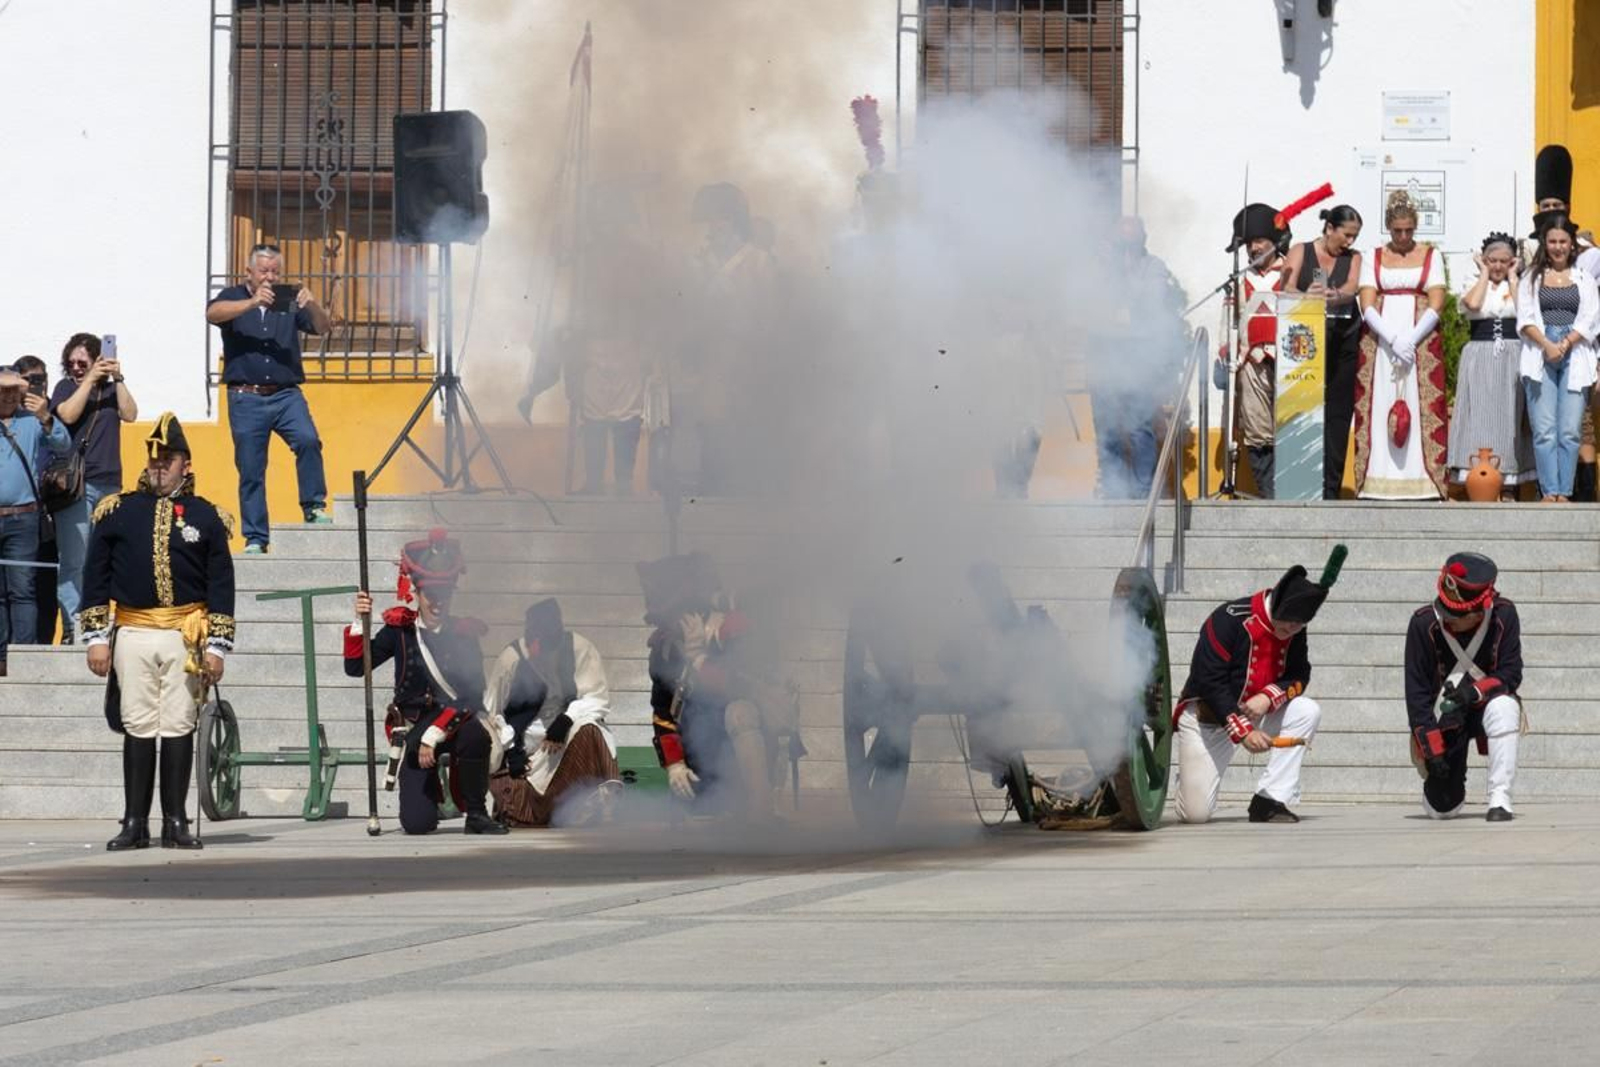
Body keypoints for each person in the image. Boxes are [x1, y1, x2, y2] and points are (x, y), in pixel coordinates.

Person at [80, 415, 235, 850]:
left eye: (168, 460)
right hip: (132, 630)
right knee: (139, 724)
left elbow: (221, 585)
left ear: (186, 464)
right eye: (155, 459)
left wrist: (218, 647)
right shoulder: (118, 511)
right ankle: (134, 822)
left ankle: (176, 821)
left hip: (185, 635)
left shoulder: (207, 516)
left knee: (180, 724)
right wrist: (95, 639)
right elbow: (95, 577)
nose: (159, 466)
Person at [344, 530, 508, 836]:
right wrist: (358, 620)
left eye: (444, 594)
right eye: (431, 594)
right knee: (417, 825)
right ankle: (429, 795)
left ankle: (476, 812)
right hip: (414, 723)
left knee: (475, 736)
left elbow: (473, 694)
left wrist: (435, 733)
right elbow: (355, 668)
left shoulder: (464, 633)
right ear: (416, 593)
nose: (438, 602)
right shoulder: (399, 631)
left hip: (456, 719)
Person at [1173, 546, 1345, 825]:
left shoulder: (1295, 626)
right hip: (1211, 719)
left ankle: (1269, 799)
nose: (1291, 632)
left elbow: (1300, 673)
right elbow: (1209, 681)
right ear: (1276, 605)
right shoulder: (1228, 619)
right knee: (1195, 815)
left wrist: (1268, 697)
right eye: (1288, 625)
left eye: (1298, 627)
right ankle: (1191, 775)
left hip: (1259, 712)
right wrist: (1242, 730)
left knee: (1306, 711)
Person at [639, 552, 802, 824]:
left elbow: (743, 688)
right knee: (696, 807)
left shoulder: (736, 630)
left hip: (747, 740)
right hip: (700, 749)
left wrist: (700, 659)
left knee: (740, 712)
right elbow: (663, 713)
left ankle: (760, 806)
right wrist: (675, 763)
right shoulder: (664, 650)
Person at [205, 243, 334, 553]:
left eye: (275, 271)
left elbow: (322, 327)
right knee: (251, 469)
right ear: (249, 271)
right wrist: (251, 304)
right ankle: (256, 538)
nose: (270, 277)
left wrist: (312, 304)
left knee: (307, 440)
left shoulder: (287, 300)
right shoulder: (233, 297)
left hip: (286, 394)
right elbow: (212, 313)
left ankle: (313, 505)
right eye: (264, 271)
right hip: (245, 397)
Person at [1404, 552, 1523, 821]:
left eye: (1457, 615)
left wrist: (1475, 692)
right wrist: (1431, 750)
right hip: (1446, 716)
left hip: (1485, 706)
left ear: (1482, 608)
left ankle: (1500, 797)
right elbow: (1417, 695)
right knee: (1441, 809)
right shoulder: (1423, 622)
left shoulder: (1504, 614)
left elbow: (1511, 673)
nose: (1449, 619)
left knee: (1505, 706)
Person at [484, 597, 621, 826]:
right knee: (522, 814)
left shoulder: (579, 648)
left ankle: (587, 805)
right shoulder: (513, 657)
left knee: (589, 729)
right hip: (526, 744)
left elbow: (597, 697)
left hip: (564, 735)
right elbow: (491, 712)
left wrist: (565, 720)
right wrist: (510, 749)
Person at [1352, 191, 1449, 499]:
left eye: (1409, 230)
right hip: (1382, 341)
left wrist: (1412, 336)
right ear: (1389, 228)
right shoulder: (1373, 256)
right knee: (1381, 399)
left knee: (1420, 404)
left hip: (1418, 338)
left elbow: (1436, 300)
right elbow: (1366, 302)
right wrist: (1392, 338)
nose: (1404, 236)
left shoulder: (1431, 256)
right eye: (1398, 231)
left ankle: (1422, 477)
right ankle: (1377, 477)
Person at [1091, 216, 1187, 499]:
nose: (1126, 243)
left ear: (1143, 238)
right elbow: (1089, 300)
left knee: (1139, 426)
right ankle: (1113, 490)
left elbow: (1151, 301)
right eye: (1121, 236)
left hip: (1137, 356)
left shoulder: (1153, 267)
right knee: (1107, 428)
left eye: (1131, 236)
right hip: (1104, 356)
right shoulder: (1102, 268)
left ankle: (1143, 493)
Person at [51, 333, 138, 644]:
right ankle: (74, 626)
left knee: (106, 557)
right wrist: (88, 380)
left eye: (82, 362)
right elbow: (67, 415)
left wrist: (118, 376)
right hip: (78, 485)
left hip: (110, 484)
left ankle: (98, 623)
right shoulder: (66, 388)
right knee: (75, 559)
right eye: (71, 362)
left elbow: (130, 414)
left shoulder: (113, 389)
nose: (76, 367)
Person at [1516, 213, 1600, 502]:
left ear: (1571, 244)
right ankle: (1549, 490)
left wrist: (1564, 343)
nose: (1558, 247)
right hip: (1540, 351)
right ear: (1544, 243)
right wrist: (1547, 344)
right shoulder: (1531, 277)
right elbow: (1525, 317)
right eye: (1552, 241)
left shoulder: (1584, 278)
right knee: (1544, 429)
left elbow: (1590, 319)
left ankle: (1564, 491)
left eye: (1563, 241)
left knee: (1569, 430)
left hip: (1574, 352)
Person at [1283, 205, 1364, 498]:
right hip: (1305, 343)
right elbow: (1286, 286)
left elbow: (1352, 287)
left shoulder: (1354, 258)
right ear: (1329, 228)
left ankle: (1331, 488)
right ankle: (1300, 483)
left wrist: (1336, 295)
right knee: (1304, 410)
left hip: (1343, 338)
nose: (1350, 242)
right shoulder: (1300, 251)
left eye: (1355, 236)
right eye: (1346, 235)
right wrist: (1307, 296)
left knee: (1338, 414)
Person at [1450, 234, 1534, 496]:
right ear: (1484, 260)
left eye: (1504, 261)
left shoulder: (1520, 284)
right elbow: (1473, 304)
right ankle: (1476, 475)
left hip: (1513, 353)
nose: (1498, 266)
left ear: (1513, 262)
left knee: (1509, 415)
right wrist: (1483, 273)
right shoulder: (1473, 282)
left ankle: (1508, 482)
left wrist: (1513, 277)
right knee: (1479, 416)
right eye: (1492, 260)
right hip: (1480, 352)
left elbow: (1526, 312)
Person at [0, 367, 69, 676]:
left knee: (22, 589)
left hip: (23, 518)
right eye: (3, 390)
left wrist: (46, 417)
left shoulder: (32, 422)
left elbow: (63, 445)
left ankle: (23, 656)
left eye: (14, 390)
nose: (9, 395)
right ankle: (1, 657)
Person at [1219, 203, 1289, 497]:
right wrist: (1224, 352)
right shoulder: (1239, 279)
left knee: (1290, 427)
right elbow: (1227, 321)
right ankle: (1268, 494)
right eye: (1249, 243)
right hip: (1251, 361)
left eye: (1259, 240)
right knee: (1258, 430)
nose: (1254, 248)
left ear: (1275, 242)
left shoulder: (1293, 269)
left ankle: (1291, 492)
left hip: (1290, 363)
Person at [12, 356, 59, 643]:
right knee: (16, 586)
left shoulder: (57, 410)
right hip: (21, 512)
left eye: (39, 379)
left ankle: (41, 647)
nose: (34, 385)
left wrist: (45, 415)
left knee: (46, 584)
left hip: (54, 511)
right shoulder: (10, 414)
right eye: (27, 379)